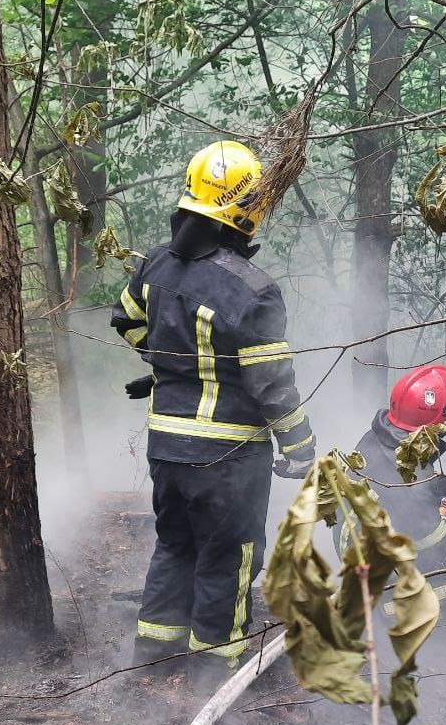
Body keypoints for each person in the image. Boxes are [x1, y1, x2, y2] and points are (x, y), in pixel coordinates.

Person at [112, 140, 316, 686]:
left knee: (176, 544)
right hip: (227, 453)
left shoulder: (154, 263)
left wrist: (166, 365)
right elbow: (271, 381)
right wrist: (299, 446)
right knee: (230, 555)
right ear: (246, 208)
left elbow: (127, 321)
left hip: (166, 445)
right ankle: (216, 676)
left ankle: (152, 662)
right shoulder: (253, 289)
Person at [335, 365, 446, 622]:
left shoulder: (379, 437)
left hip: (359, 548)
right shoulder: (407, 480)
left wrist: (442, 487)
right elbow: (437, 545)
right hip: (377, 570)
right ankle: (379, 611)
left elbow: (401, 491)